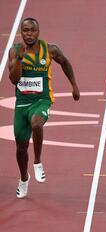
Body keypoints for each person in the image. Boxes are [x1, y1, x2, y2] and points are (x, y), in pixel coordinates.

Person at [8, 17, 80, 199]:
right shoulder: (15, 51)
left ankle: (38, 162)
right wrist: (19, 58)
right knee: (21, 148)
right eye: (26, 30)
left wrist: (74, 85)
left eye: (32, 30)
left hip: (42, 100)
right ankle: (24, 178)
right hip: (22, 103)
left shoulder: (50, 49)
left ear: (38, 32)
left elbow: (64, 62)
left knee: (37, 123)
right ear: (21, 32)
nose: (29, 34)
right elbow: (14, 79)